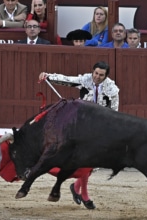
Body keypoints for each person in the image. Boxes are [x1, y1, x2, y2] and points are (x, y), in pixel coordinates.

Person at [38, 61, 120, 209]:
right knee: (85, 161)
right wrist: (49, 76)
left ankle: (76, 188)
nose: (97, 77)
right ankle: (83, 194)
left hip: (99, 128)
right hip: (81, 126)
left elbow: (114, 112)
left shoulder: (112, 90)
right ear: (92, 72)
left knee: (92, 163)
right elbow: (67, 80)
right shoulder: (85, 80)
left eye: (101, 75)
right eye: (96, 73)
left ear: (106, 76)